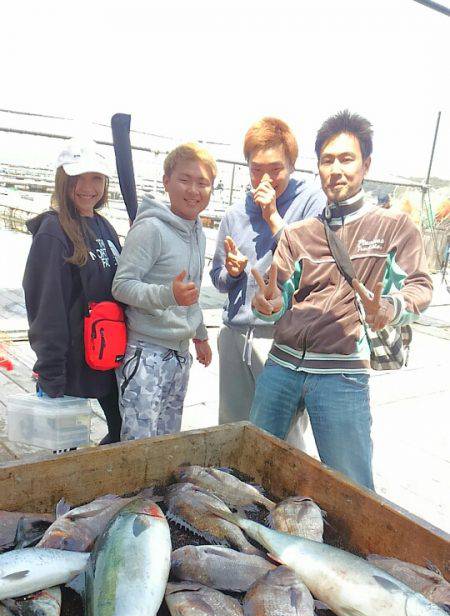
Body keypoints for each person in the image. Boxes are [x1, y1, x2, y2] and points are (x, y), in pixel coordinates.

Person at [250, 110, 433, 490]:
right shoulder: (298, 233)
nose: (336, 169)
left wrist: (389, 309)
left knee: (352, 489)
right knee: (251, 470)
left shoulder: (394, 227)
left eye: (346, 159)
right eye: (327, 160)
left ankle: (358, 553)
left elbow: (419, 286)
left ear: (366, 164)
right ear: (317, 167)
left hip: (342, 373)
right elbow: (278, 295)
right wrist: (266, 304)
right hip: (281, 366)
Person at [210, 117, 325, 446]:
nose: (265, 178)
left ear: (292, 164)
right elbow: (217, 279)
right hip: (234, 334)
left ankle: (292, 498)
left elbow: (310, 261)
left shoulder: (310, 202)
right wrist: (230, 273)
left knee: (283, 434)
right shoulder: (234, 214)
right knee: (231, 428)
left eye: (275, 169)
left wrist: (272, 214)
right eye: (255, 169)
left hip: (282, 338)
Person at [112, 142, 215, 440]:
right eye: (184, 180)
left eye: (203, 183)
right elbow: (122, 286)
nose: (193, 190)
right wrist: (167, 295)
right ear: (166, 182)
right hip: (146, 353)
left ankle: (161, 490)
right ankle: (134, 489)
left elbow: (190, 293)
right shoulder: (151, 229)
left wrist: (201, 336)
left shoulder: (197, 232)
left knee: (167, 440)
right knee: (139, 442)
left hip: (180, 354)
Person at [23, 138, 122, 445]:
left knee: (123, 432)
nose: (87, 187)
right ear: (63, 180)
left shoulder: (104, 226)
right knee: (68, 449)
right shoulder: (53, 231)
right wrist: (50, 372)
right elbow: (46, 305)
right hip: (69, 367)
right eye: (77, 178)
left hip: (107, 359)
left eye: (96, 178)